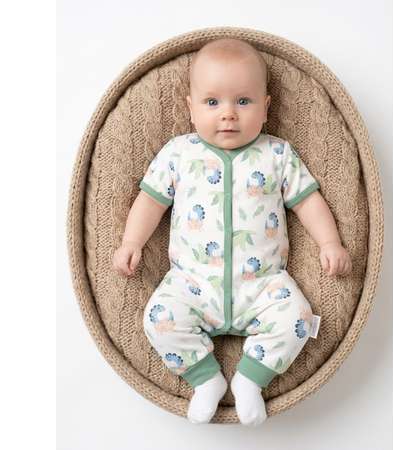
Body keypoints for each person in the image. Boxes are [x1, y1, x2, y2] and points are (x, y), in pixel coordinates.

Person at [113, 38, 352, 426]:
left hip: (263, 284)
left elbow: (308, 201)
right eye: (212, 102)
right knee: (158, 318)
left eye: (243, 101)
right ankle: (205, 379)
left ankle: (250, 380)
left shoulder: (277, 155)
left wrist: (330, 242)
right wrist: (131, 241)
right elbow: (150, 201)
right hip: (192, 283)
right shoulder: (179, 154)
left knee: (298, 318)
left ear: (266, 107)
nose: (228, 114)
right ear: (191, 109)